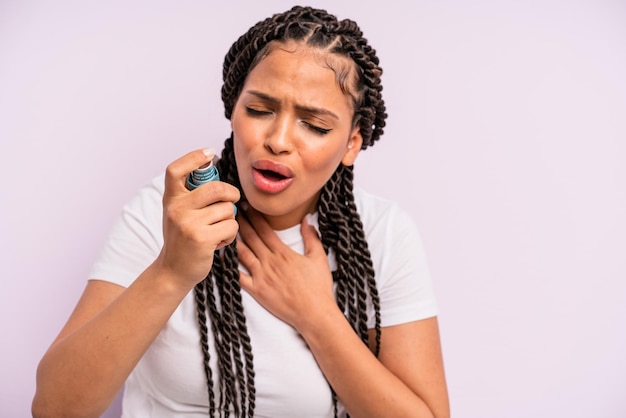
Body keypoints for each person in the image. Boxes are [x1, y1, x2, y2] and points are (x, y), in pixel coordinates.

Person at [32, 5, 449, 418]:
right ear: (232, 107)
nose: (278, 140)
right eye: (259, 110)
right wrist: (172, 271)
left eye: (316, 125)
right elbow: (54, 409)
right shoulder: (163, 212)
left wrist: (317, 317)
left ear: (352, 144)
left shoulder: (383, 234)